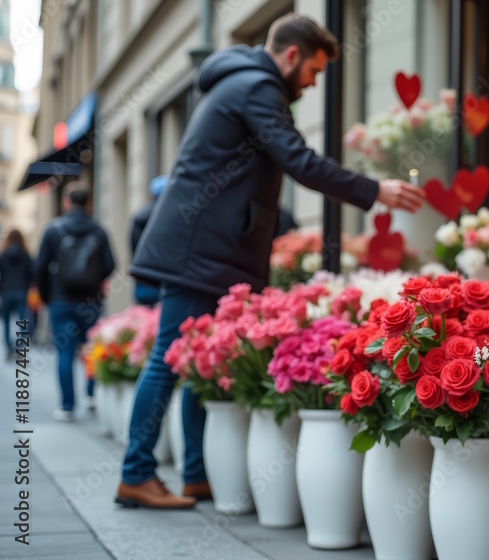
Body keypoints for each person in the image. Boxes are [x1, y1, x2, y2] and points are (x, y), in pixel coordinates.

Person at [117, 14, 424, 509]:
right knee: (169, 360)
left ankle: (195, 474)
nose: (313, 82)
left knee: (198, 364)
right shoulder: (257, 88)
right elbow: (299, 160)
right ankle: (135, 473)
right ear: (292, 55)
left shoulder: (244, 84)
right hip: (200, 250)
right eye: (314, 71)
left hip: (210, 248)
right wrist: (374, 190)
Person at [35, 187, 116, 422]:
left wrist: (47, 296)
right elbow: (110, 265)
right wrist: (94, 280)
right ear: (88, 203)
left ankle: (67, 406)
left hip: (61, 300)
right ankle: (91, 394)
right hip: (91, 301)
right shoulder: (99, 230)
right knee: (91, 349)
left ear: (67, 202)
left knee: (65, 352)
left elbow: (40, 267)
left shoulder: (53, 229)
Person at [130, 175, 167, 306]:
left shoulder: (139, 218)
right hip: (165, 279)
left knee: (143, 316)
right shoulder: (173, 217)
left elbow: (134, 249)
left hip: (143, 279)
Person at [0, 229, 35, 360]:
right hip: (21, 291)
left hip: (6, 291)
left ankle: (9, 348)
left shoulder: (3, 255)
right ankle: (20, 348)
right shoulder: (25, 254)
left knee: (6, 322)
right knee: (23, 322)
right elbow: (32, 274)